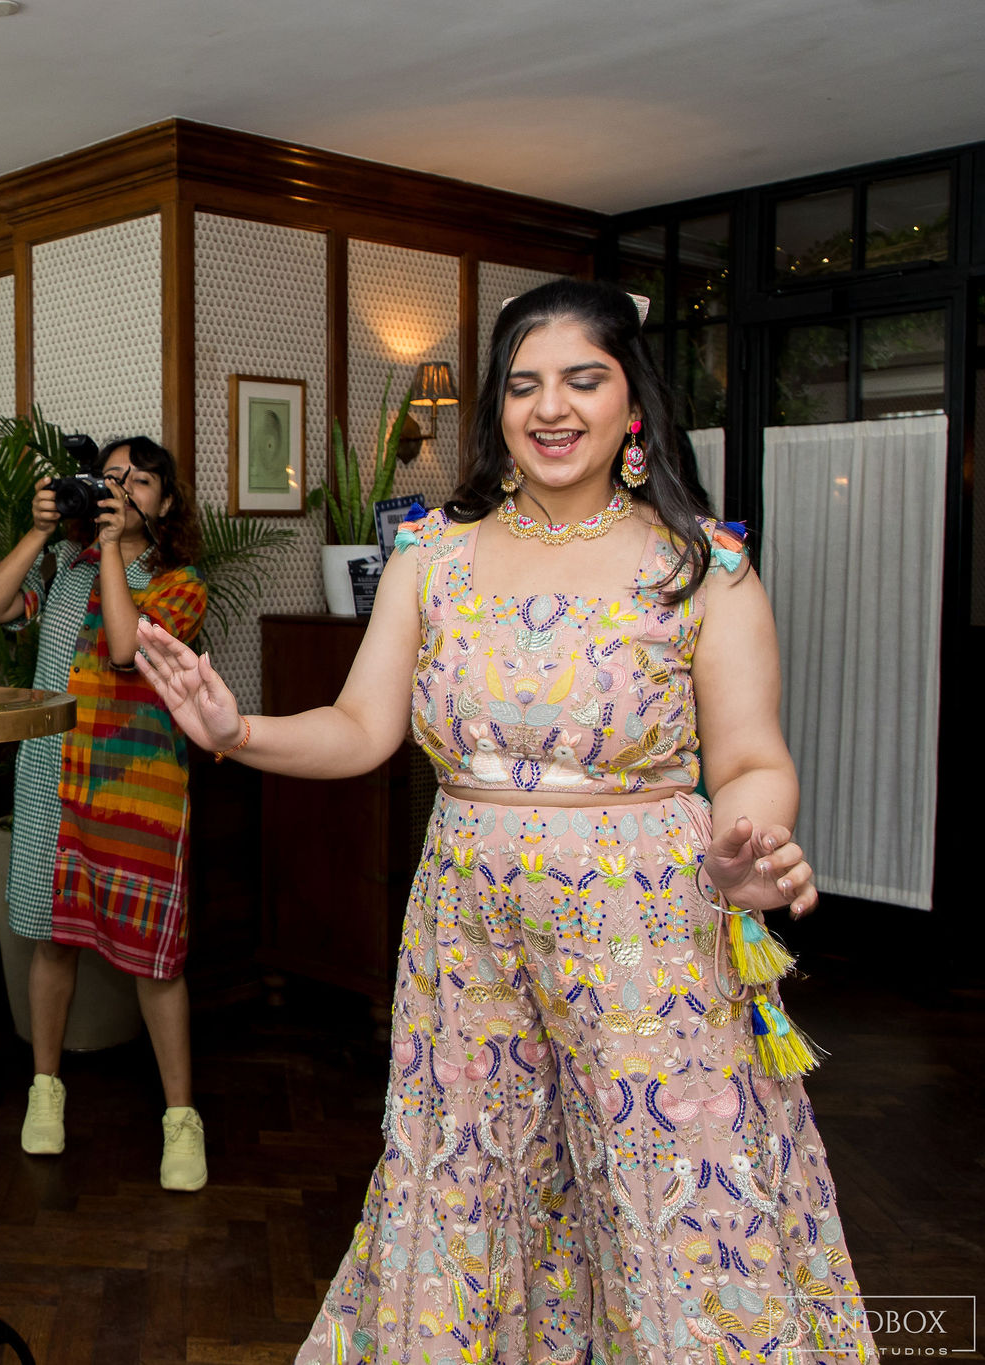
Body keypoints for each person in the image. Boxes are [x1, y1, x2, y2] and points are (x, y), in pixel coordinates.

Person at [134, 279, 878, 1364]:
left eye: (582, 379)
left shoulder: (700, 567)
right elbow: (356, 727)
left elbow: (753, 759)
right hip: (465, 932)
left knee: (668, 1184)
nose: (550, 406)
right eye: (523, 384)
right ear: (496, 412)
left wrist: (744, 844)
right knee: (468, 1178)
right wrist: (234, 730)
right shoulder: (431, 555)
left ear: (632, 405)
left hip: (650, 935)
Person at [0, 436, 210, 1191]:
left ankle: (181, 1118)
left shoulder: (180, 582)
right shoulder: (62, 566)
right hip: (52, 771)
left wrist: (106, 546)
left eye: (141, 480)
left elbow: (119, 645)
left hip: (135, 785)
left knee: (155, 957)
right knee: (52, 942)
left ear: (166, 502)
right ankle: (46, 1090)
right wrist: (44, 530)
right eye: (109, 478)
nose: (124, 489)